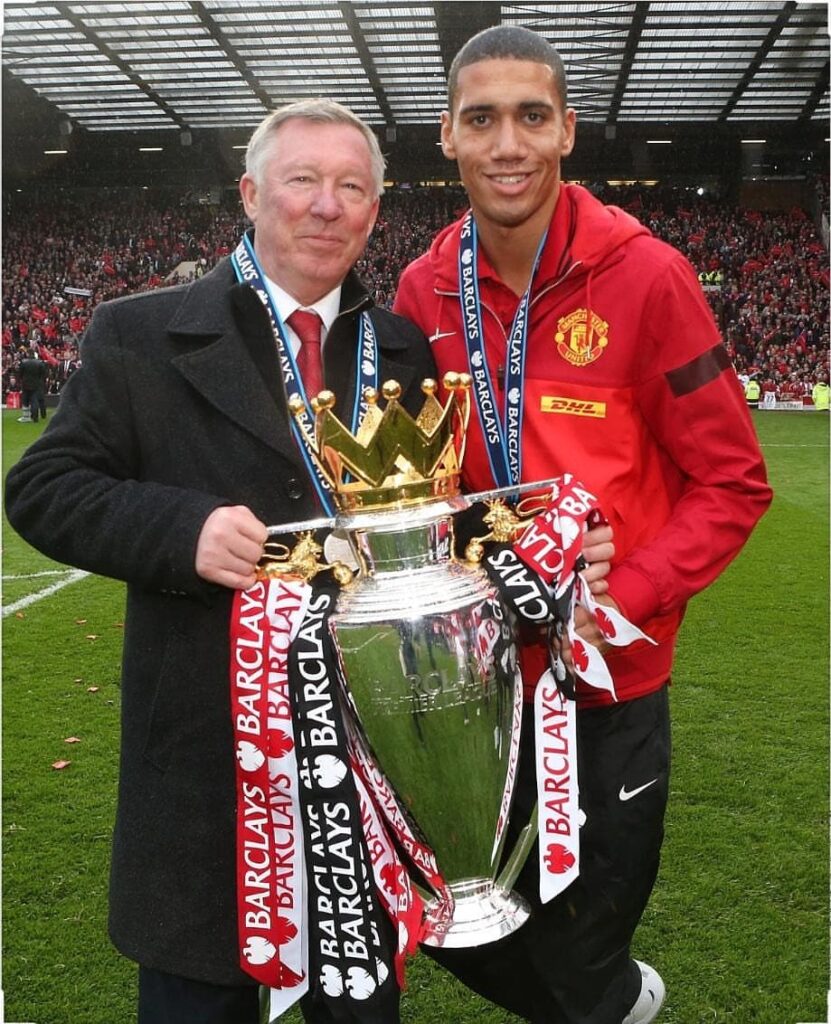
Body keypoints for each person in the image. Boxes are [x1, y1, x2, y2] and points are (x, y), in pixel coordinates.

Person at [4, 99, 439, 1024]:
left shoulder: (403, 348)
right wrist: (180, 531)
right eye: (302, 180)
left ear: (373, 210)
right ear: (250, 193)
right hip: (206, 772)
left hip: (358, 772)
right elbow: (42, 489)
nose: (327, 205)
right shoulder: (140, 333)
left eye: (351, 186)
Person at [394, 25, 773, 1024]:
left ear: (567, 130)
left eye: (530, 115)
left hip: (611, 682)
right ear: (447, 137)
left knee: (584, 936)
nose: (508, 142)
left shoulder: (650, 278)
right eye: (482, 119)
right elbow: (417, 492)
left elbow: (733, 483)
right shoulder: (419, 288)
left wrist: (621, 596)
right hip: (478, 685)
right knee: (453, 914)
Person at [18, 343, 48, 422]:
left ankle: (26, 416)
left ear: (27, 354)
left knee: (25, 400)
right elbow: (43, 374)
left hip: (25, 384)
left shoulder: (23, 362)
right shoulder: (39, 363)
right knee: (34, 400)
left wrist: (23, 380)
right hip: (36, 384)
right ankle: (35, 417)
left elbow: (20, 373)